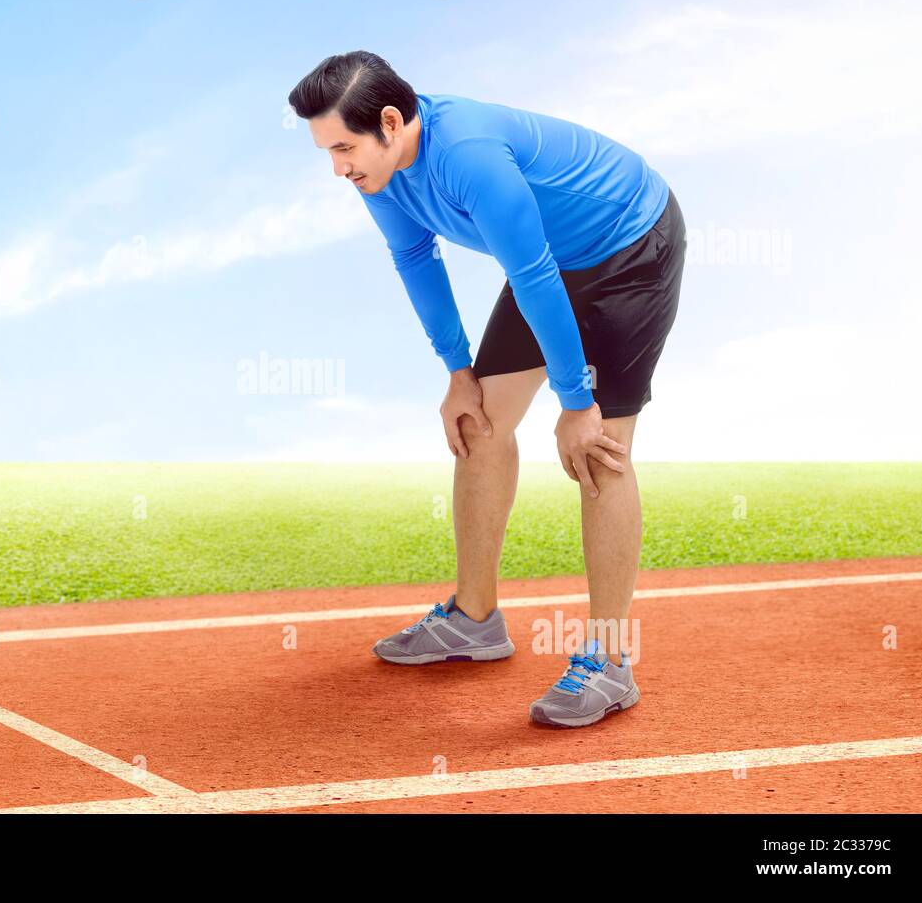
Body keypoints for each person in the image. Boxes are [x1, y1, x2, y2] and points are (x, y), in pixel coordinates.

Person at [287, 50, 687, 728]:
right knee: (477, 424)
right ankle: (475, 619)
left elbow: (531, 276)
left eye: (345, 147)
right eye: (327, 151)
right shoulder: (379, 177)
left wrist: (576, 403)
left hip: (630, 245)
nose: (338, 167)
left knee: (600, 448)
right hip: (555, 262)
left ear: (392, 121)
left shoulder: (468, 154)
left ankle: (611, 660)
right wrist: (457, 373)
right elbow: (415, 256)